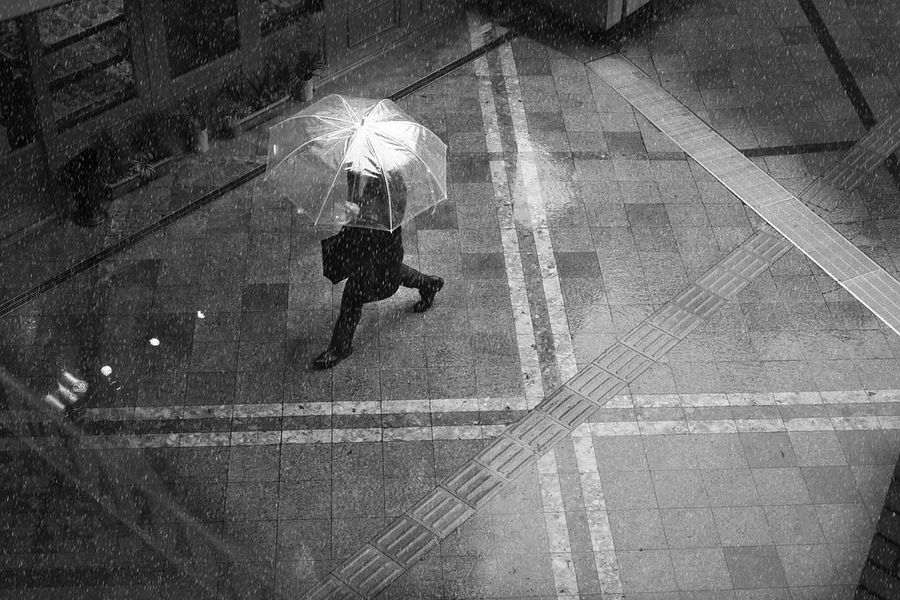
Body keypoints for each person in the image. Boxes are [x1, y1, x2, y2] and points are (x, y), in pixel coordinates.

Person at [314, 169, 443, 370]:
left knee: (353, 295)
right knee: (392, 273)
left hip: (381, 248)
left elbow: (391, 217)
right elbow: (353, 193)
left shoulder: (392, 181)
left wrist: (361, 213)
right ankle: (428, 284)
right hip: (364, 244)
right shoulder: (358, 168)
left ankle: (340, 347)